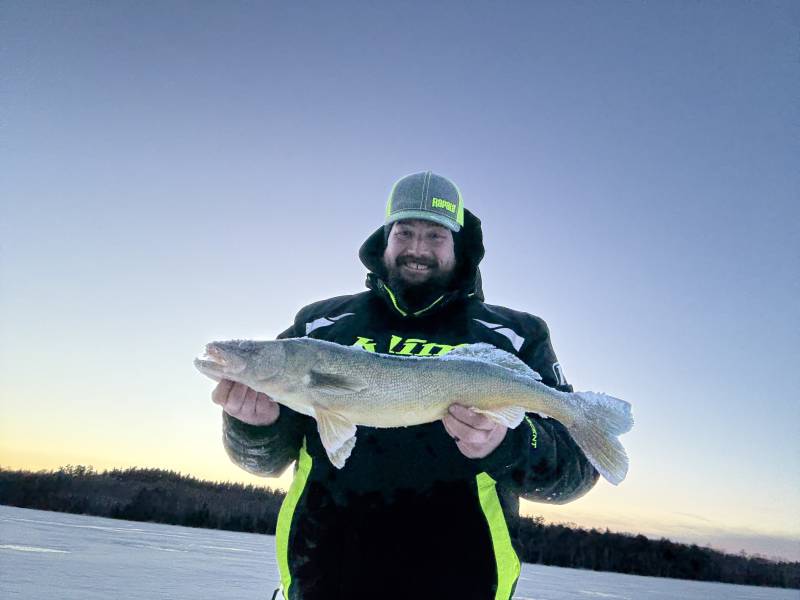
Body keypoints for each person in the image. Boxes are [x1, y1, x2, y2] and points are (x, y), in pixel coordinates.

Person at [212, 171, 599, 600]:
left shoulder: (515, 335)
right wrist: (253, 426)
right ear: (386, 238)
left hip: (461, 585)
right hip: (322, 581)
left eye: (435, 235)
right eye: (405, 232)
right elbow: (261, 462)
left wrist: (507, 442)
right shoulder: (319, 325)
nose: (417, 249)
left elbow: (574, 473)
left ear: (458, 244)